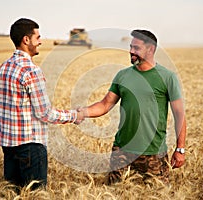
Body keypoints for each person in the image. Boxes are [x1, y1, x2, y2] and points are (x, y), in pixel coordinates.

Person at [78, 29, 186, 185]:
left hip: (154, 153)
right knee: (114, 193)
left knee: (158, 193)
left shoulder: (167, 77)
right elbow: (105, 104)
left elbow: (179, 115)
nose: (131, 51)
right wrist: (81, 113)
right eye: (130, 47)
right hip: (122, 152)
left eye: (136, 48)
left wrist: (180, 149)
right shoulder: (123, 75)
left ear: (151, 49)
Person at [0, 18, 83, 191]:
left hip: (8, 146)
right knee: (36, 195)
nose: (41, 42)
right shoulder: (31, 71)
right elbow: (45, 113)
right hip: (30, 148)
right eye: (38, 37)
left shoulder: (3, 68)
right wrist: (75, 116)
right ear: (26, 40)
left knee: (12, 193)